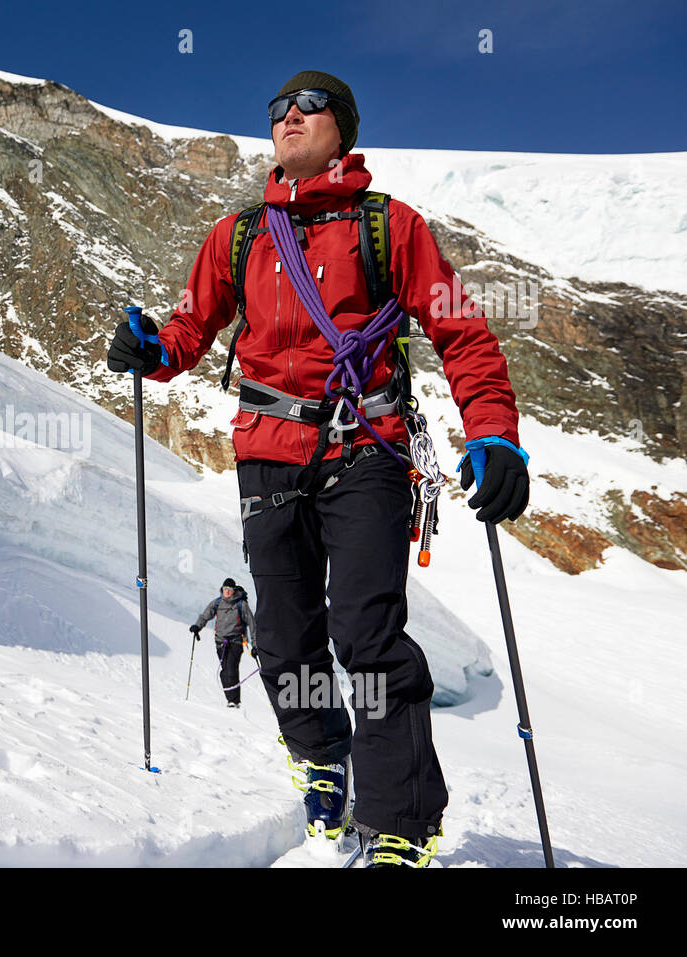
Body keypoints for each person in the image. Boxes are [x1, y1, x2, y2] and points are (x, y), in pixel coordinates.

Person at [106, 71, 528, 868]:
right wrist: (152, 350)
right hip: (267, 452)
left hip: (365, 446)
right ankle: (321, 760)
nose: (286, 118)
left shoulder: (389, 226)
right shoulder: (239, 235)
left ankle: (400, 821)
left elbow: (462, 332)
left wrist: (494, 434)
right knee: (286, 641)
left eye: (306, 105)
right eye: (275, 110)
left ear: (343, 126)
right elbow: (192, 327)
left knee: (366, 633)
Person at [190, 578, 255, 708]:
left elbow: (252, 624)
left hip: (236, 641)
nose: (227, 591)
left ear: (234, 590)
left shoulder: (241, 605)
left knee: (231, 669)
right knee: (224, 671)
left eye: (229, 589)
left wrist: (255, 645)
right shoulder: (217, 603)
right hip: (220, 642)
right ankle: (231, 699)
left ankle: (234, 701)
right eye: (225, 589)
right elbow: (205, 616)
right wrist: (197, 626)